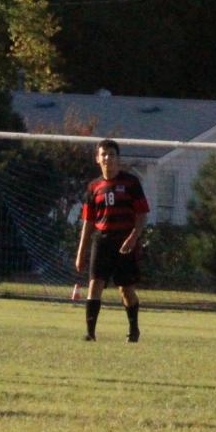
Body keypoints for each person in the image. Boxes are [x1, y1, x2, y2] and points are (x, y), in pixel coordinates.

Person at [73, 139, 149, 342]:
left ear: (118, 158)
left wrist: (133, 237)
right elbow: (88, 222)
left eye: (111, 154)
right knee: (94, 284)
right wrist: (81, 253)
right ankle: (90, 333)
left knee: (126, 289)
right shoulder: (93, 187)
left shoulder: (131, 183)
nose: (107, 158)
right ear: (97, 158)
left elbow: (142, 214)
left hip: (125, 241)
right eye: (104, 154)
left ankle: (134, 331)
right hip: (102, 241)